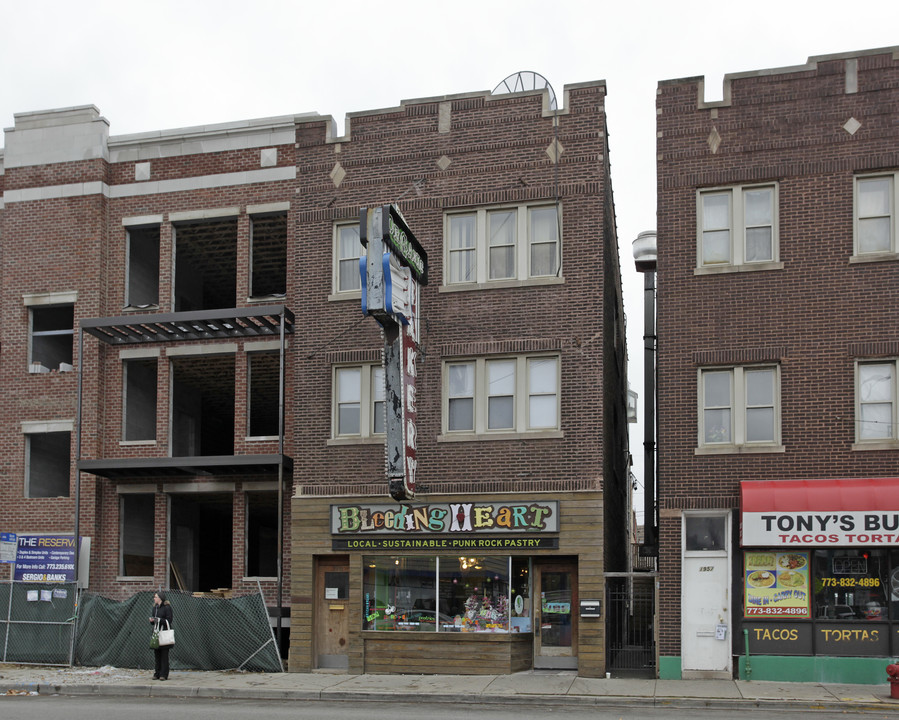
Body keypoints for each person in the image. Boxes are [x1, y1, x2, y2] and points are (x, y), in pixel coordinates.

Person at [149, 591, 173, 680]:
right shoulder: (154, 608)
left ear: (160, 598)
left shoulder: (167, 608)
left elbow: (169, 620)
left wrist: (158, 620)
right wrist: (152, 621)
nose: (154, 598)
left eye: (155, 597)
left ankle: (164, 674)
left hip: (164, 633)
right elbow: (154, 621)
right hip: (156, 633)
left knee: (164, 655)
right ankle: (157, 673)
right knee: (157, 654)